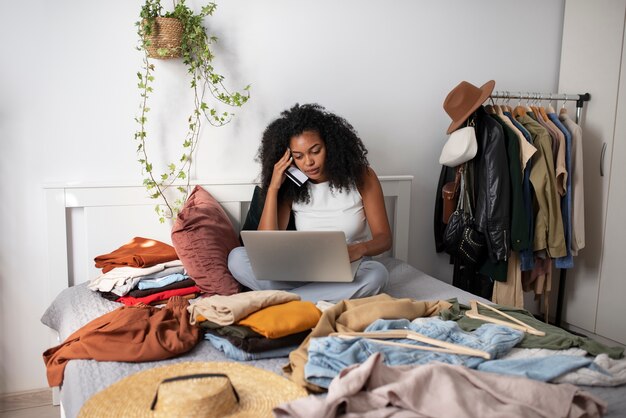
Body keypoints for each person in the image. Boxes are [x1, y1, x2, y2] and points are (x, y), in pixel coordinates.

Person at [228, 103, 392, 302]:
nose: (308, 162)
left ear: (330, 145)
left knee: (377, 274)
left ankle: (281, 301)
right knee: (236, 257)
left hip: (351, 268)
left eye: (315, 151)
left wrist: (360, 249)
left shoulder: (362, 176)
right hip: (301, 269)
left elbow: (384, 238)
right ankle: (309, 298)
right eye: (299, 156)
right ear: (290, 158)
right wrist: (273, 188)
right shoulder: (292, 186)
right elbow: (266, 242)